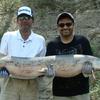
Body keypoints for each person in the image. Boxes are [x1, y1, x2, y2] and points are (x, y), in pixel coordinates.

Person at [0, 6, 47, 100]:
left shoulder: (40, 39)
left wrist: (44, 72)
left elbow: (42, 62)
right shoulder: (7, 36)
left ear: (32, 20)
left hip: (31, 84)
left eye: (27, 18)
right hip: (10, 82)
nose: (24, 21)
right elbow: (2, 58)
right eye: (21, 18)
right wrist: (2, 69)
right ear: (17, 21)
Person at [46, 12, 93, 100]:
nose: (65, 27)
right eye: (61, 25)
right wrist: (48, 73)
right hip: (59, 94)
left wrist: (89, 70)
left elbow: (91, 64)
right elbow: (47, 67)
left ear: (73, 25)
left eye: (68, 24)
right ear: (58, 27)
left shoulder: (83, 41)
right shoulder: (51, 45)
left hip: (81, 92)